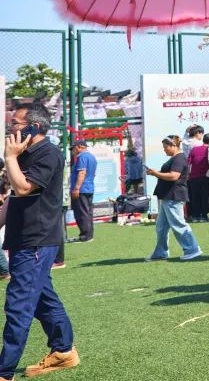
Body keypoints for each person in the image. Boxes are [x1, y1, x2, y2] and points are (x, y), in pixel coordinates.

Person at [1, 102, 79, 380]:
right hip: (23, 239)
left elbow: (23, 188)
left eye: (15, 124)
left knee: (18, 305)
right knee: (43, 299)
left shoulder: (48, 154)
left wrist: (9, 158)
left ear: (34, 127)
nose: (10, 128)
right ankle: (63, 351)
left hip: (36, 241)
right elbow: (12, 198)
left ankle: (4, 371)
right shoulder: (23, 153)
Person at [145, 136, 202, 261]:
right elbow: (171, 174)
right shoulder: (176, 158)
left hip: (173, 196)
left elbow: (174, 176)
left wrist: (155, 173)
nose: (164, 150)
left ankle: (192, 249)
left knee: (178, 224)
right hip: (169, 196)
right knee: (161, 227)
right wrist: (155, 173)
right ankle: (161, 252)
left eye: (165, 147)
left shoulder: (179, 158)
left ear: (173, 146)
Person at [67, 139, 96, 243]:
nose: (72, 151)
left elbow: (82, 172)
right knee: (88, 212)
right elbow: (93, 174)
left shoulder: (82, 157)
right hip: (89, 187)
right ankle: (89, 235)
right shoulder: (92, 157)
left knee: (81, 213)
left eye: (73, 149)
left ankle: (85, 236)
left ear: (79, 147)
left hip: (81, 189)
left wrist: (76, 188)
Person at [186, 133, 209, 222]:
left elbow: (188, 163)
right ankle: (203, 216)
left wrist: (188, 175)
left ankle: (195, 216)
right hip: (206, 176)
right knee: (205, 196)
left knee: (195, 197)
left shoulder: (194, 149)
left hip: (193, 177)